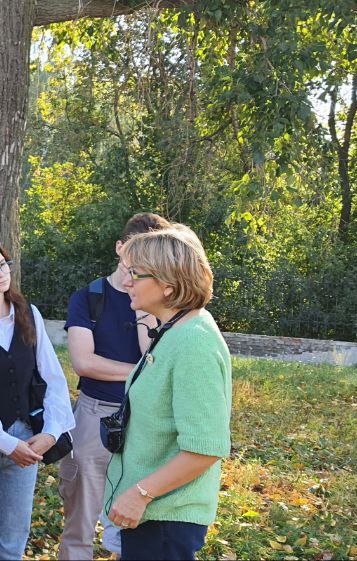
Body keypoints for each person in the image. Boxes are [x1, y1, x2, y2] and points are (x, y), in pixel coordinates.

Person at [104, 225, 232, 561]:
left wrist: (141, 494)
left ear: (167, 285)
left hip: (166, 519)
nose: (126, 282)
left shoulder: (193, 341)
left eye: (135, 274)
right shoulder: (174, 330)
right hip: (153, 516)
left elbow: (206, 448)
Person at [0, 237, 74, 561]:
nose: (0, 273)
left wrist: (50, 433)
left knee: (10, 542)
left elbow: (53, 379)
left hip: (26, 441)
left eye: (3, 264)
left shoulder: (28, 314)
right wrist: (5, 443)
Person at [59, 212, 170, 560]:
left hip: (145, 419)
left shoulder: (160, 300)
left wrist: (142, 303)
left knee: (133, 525)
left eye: (150, 259)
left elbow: (150, 352)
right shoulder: (89, 297)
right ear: (120, 247)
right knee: (80, 525)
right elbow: (85, 363)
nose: (139, 266)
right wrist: (142, 371)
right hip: (95, 415)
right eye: (136, 255)